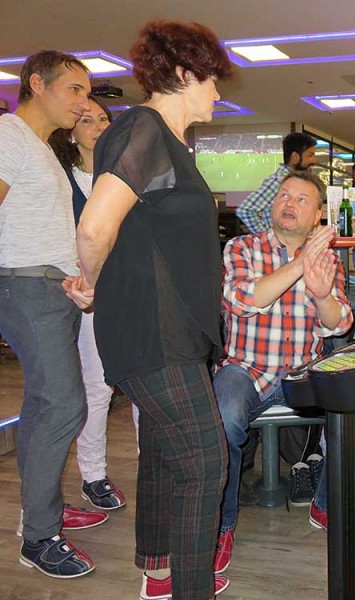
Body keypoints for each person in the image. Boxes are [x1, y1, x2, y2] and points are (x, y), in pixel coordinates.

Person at [73, 21, 234, 599]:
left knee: (167, 451)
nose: (218, 92)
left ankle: (159, 572)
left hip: (173, 329)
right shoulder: (142, 128)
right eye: (212, 80)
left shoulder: (165, 140)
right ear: (186, 74)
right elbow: (94, 227)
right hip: (152, 329)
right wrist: (92, 284)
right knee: (205, 462)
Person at [0, 49, 113, 580]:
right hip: (26, 287)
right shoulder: (9, 135)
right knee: (64, 405)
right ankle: (39, 537)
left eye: (87, 92)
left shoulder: (42, 147)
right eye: (74, 90)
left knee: (44, 408)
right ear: (36, 84)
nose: (83, 102)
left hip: (51, 290)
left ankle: (37, 511)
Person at [214, 171, 352, 571]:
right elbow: (243, 299)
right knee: (223, 418)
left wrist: (323, 296)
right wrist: (300, 265)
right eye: (284, 196)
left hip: (304, 373)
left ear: (318, 215)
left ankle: (325, 503)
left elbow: (339, 323)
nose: (289, 203)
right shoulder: (242, 247)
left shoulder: (327, 260)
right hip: (246, 369)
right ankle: (222, 525)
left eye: (302, 199)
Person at [49, 96, 129, 510]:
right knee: (98, 387)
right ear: (70, 132)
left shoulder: (126, 175)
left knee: (143, 385)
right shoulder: (60, 178)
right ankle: (93, 475)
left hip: (130, 289)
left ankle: (153, 465)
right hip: (87, 292)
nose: (98, 126)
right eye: (87, 120)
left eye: (103, 119)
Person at [236, 132, 317, 233]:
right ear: (295, 157)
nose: (314, 161)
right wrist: (267, 236)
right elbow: (245, 210)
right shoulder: (278, 181)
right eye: (310, 155)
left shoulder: (296, 181)